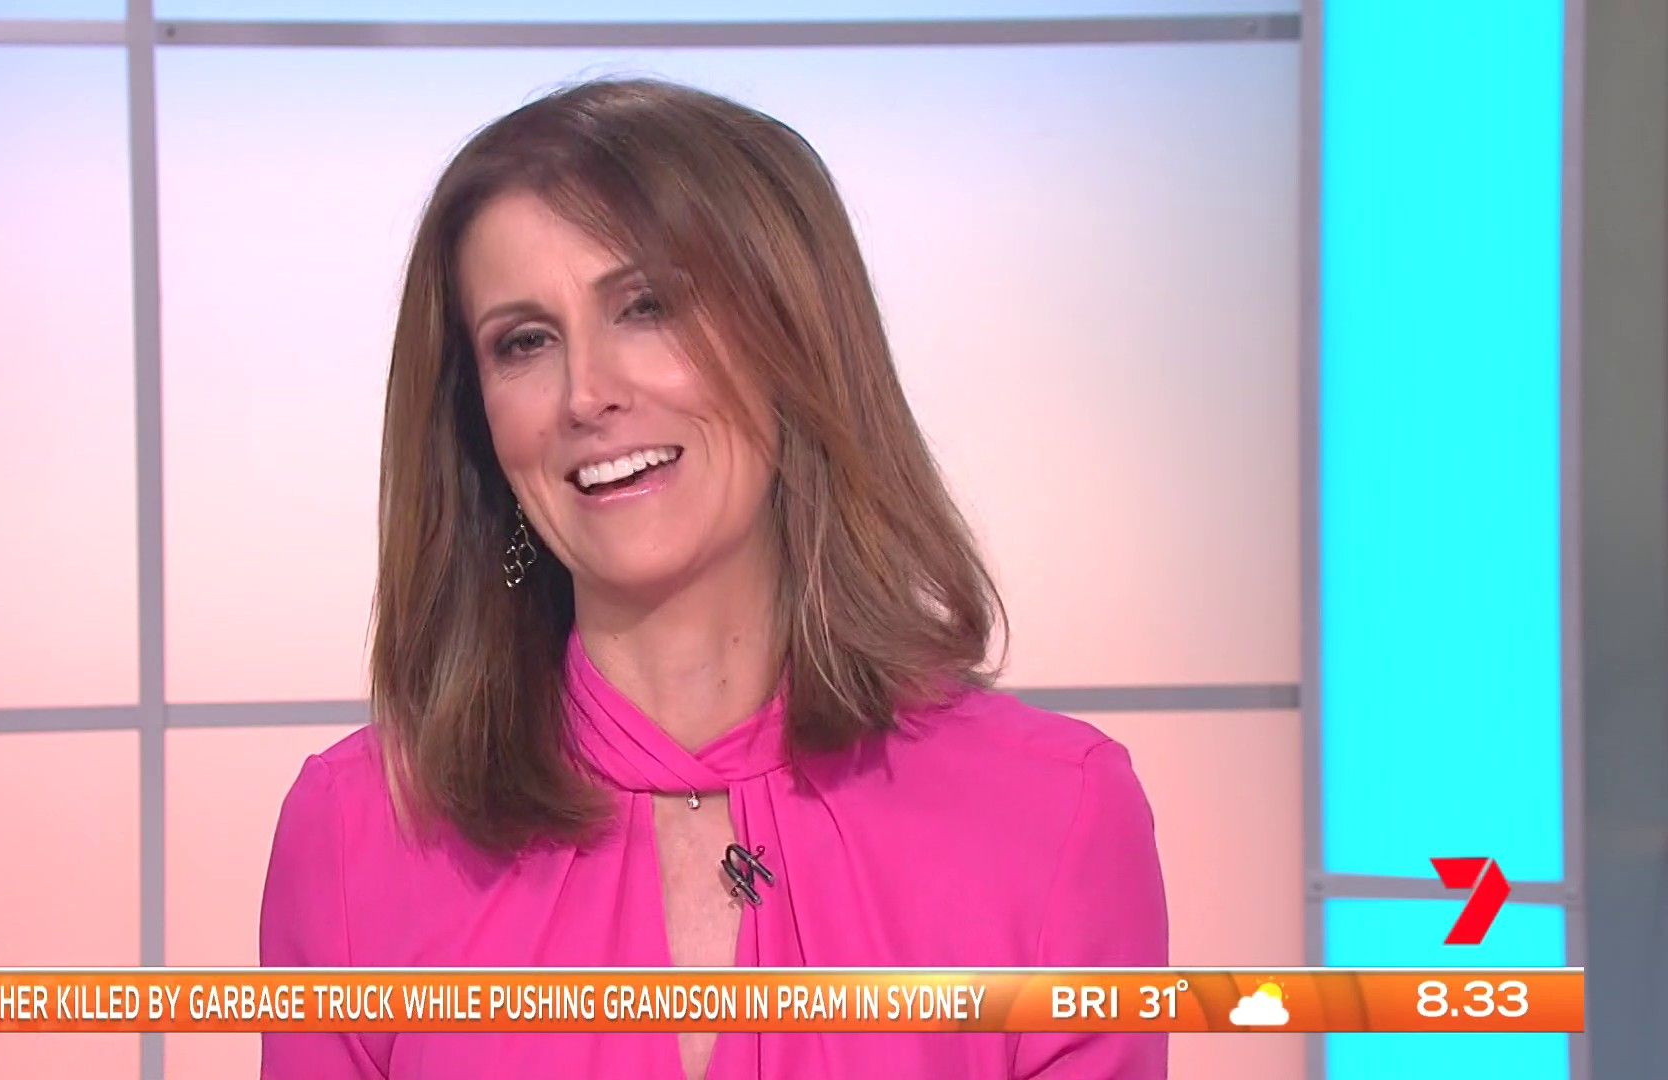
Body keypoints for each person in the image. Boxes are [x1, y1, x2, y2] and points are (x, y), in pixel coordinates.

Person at [259, 76, 1168, 1079]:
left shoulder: (1056, 819)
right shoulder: (356, 835)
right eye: (525, 342)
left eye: (647, 307)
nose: (586, 394)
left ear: (795, 342)